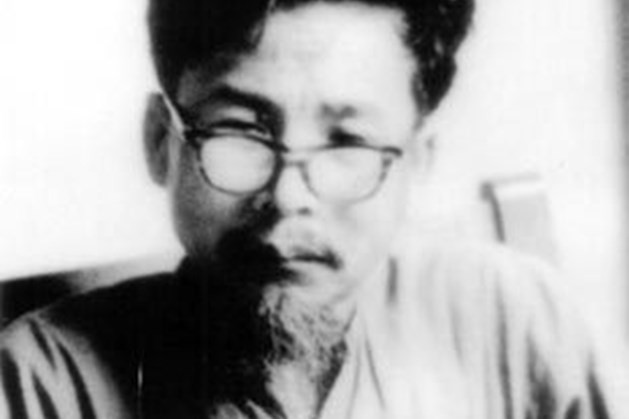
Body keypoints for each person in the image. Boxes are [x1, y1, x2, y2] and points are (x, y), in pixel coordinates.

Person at [0, 0, 625, 418]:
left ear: (417, 163)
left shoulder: (511, 322)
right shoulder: (39, 385)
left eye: (348, 141)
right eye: (240, 130)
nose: (289, 198)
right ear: (160, 142)